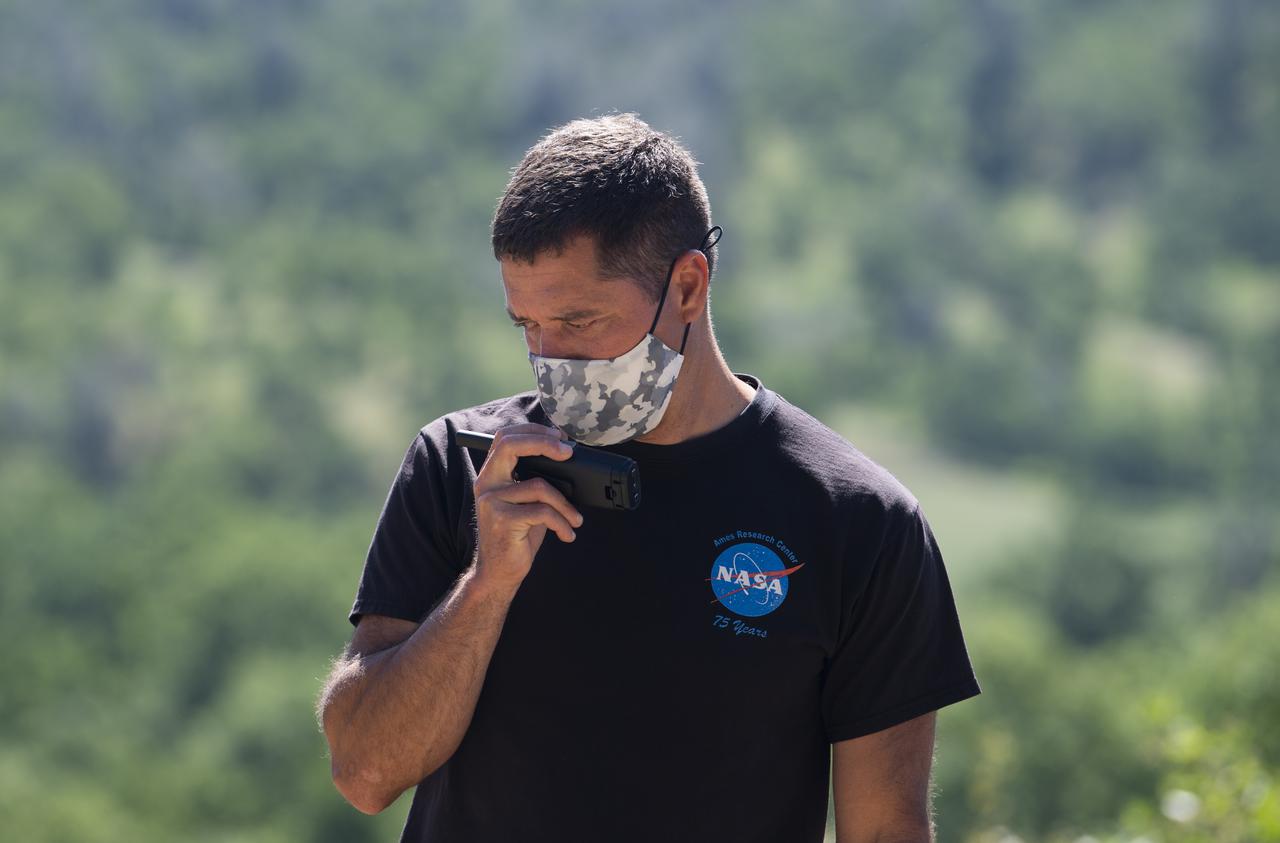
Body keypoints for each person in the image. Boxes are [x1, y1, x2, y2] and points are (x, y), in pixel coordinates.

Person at [316, 112, 980, 843]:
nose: (549, 357)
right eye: (526, 325)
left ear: (688, 287)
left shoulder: (859, 522)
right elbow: (365, 773)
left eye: (577, 320)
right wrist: (485, 587)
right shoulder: (460, 465)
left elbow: (886, 830)